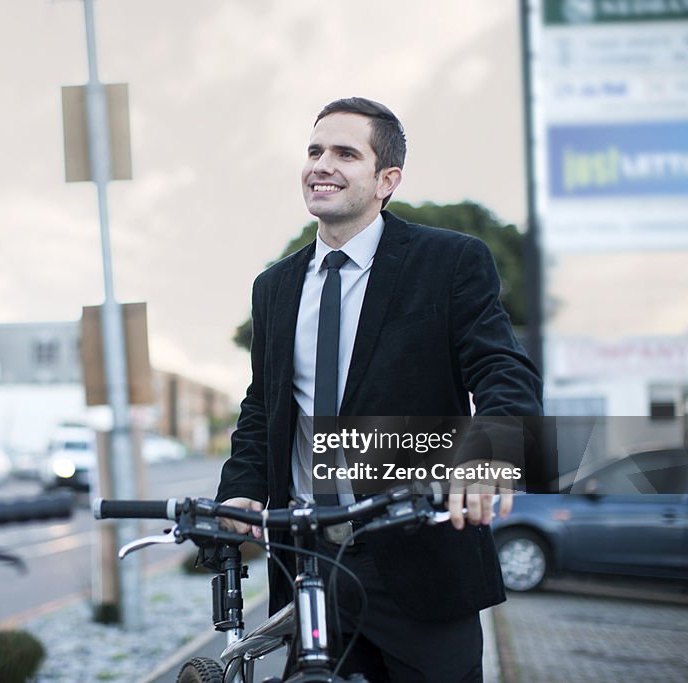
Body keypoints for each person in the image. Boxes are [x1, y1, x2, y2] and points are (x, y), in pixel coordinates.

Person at [217, 97, 543, 681]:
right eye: (315, 151)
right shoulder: (273, 287)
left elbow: (503, 371)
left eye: (346, 153)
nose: (323, 164)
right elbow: (263, 405)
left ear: (386, 179)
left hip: (419, 557)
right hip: (309, 563)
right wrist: (242, 490)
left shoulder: (450, 262)